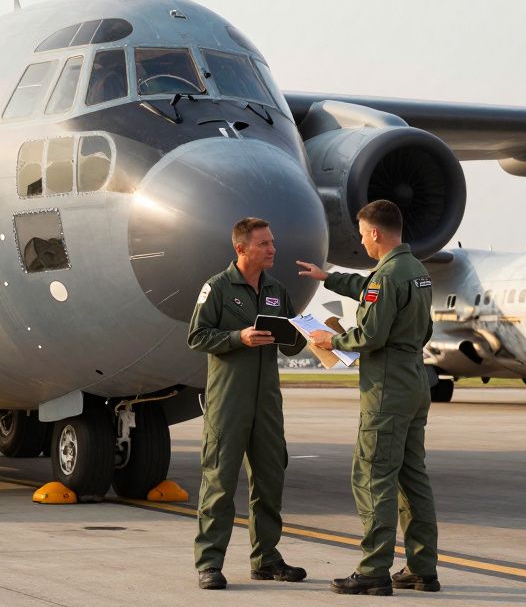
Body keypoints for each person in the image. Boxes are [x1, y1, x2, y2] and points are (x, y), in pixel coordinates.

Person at [297, 200, 441, 596]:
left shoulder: (387, 277)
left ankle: (374, 569)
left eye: (362, 234)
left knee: (373, 476)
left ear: (375, 232)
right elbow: (388, 300)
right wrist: (328, 277)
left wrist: (332, 339)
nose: (361, 241)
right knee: (413, 478)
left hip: (387, 387)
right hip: (414, 379)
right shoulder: (415, 271)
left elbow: (370, 336)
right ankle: (422, 568)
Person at [187, 217, 309, 590]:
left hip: (267, 400)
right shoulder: (218, 288)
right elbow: (197, 336)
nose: (273, 249)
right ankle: (209, 563)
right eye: (264, 244)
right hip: (229, 401)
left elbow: (293, 339)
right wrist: (238, 336)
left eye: (272, 243)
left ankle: (267, 559)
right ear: (241, 248)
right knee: (220, 483)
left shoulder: (276, 289)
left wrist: (306, 334)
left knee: (271, 479)